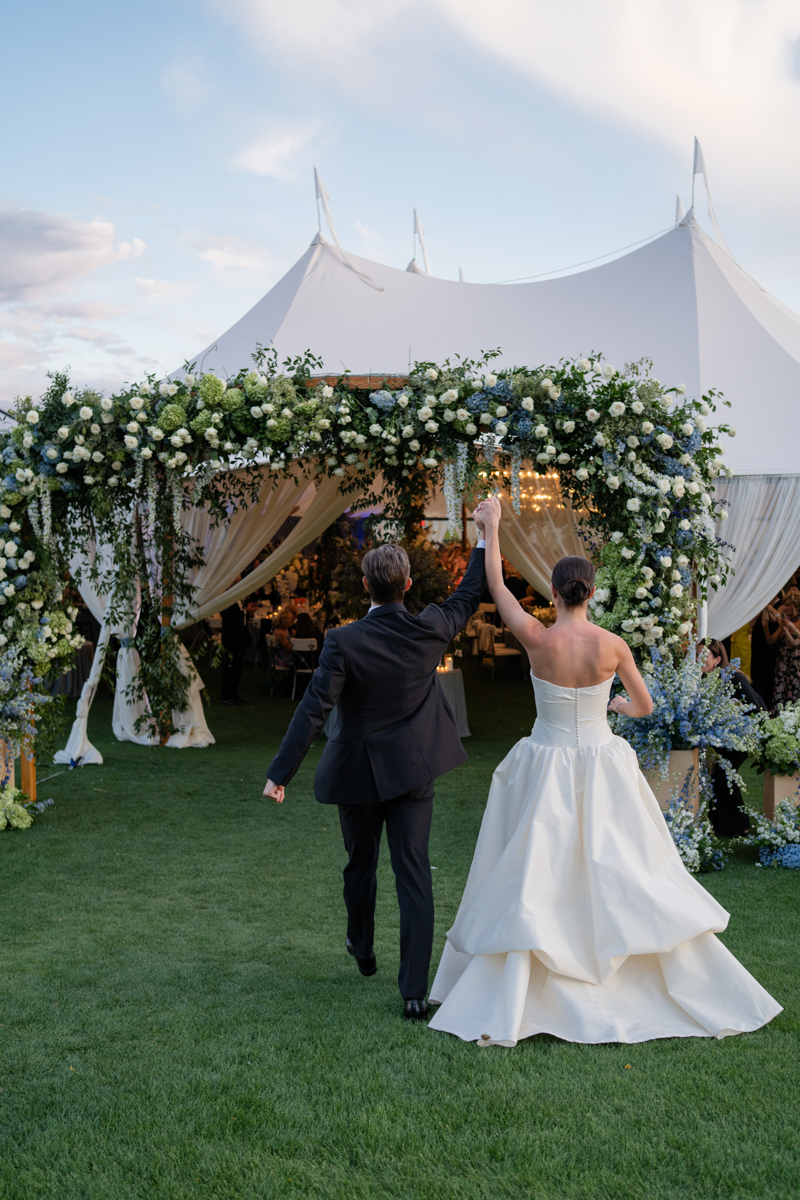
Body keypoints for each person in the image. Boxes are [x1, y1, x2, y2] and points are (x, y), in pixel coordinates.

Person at [428, 496, 781, 1047]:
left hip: (543, 761)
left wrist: (491, 528)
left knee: (536, 872)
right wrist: (613, 707)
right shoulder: (612, 646)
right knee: (620, 863)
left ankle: (532, 974)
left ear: (553, 592)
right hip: (601, 759)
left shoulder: (538, 638)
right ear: (591, 593)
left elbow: (496, 588)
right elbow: (644, 706)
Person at [263, 527, 487, 1021]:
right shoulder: (430, 626)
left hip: (359, 774)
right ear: (406, 585)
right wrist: (485, 538)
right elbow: (471, 591)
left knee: (360, 865)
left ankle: (362, 947)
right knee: (414, 876)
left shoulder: (344, 640)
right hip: (412, 771)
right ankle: (412, 994)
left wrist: (281, 773)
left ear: (366, 586)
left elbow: (313, 709)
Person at [698, 639, 766, 838]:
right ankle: (721, 823)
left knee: (723, 773)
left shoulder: (735, 677)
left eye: (703, 655)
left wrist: (734, 716)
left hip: (741, 736)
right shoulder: (704, 679)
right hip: (721, 738)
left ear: (718, 659)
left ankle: (739, 826)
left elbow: (756, 708)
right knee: (717, 775)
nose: (697, 659)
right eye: (697, 654)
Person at [220, 580, 248, 706]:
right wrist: (245, 612)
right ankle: (226, 695)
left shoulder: (237, 596)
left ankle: (234, 693)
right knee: (230, 666)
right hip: (231, 636)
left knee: (237, 666)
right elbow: (227, 615)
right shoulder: (226, 596)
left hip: (239, 635)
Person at [750, 600, 781, 711]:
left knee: (768, 678)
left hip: (771, 650)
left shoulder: (778, 606)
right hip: (757, 647)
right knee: (756, 675)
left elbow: (778, 622)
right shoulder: (760, 607)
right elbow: (751, 625)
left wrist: (769, 609)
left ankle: (767, 706)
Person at [772, 595, 800, 712]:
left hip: (795, 661)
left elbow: (795, 642)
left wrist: (792, 628)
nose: (785, 608)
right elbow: (771, 640)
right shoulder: (787, 622)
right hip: (783, 660)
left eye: (788, 605)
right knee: (781, 689)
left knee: (793, 690)